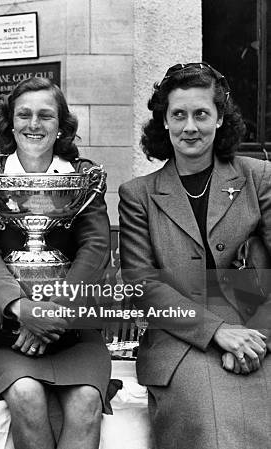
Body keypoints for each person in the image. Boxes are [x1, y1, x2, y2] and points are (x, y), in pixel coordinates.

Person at [119, 62, 271, 449]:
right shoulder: (139, 194)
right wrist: (217, 332)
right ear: (164, 122)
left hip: (258, 330)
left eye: (201, 114)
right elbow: (142, 285)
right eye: (178, 115)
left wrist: (259, 338)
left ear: (220, 119)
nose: (190, 127)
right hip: (181, 340)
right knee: (213, 427)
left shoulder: (257, 177)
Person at [0, 76, 112, 449]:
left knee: (86, 402)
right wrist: (21, 307)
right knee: (26, 395)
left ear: (61, 125)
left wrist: (54, 310)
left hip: (75, 325)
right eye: (24, 114)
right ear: (10, 122)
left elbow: (95, 247)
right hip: (4, 327)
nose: (34, 124)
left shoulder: (83, 177)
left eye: (46, 115)